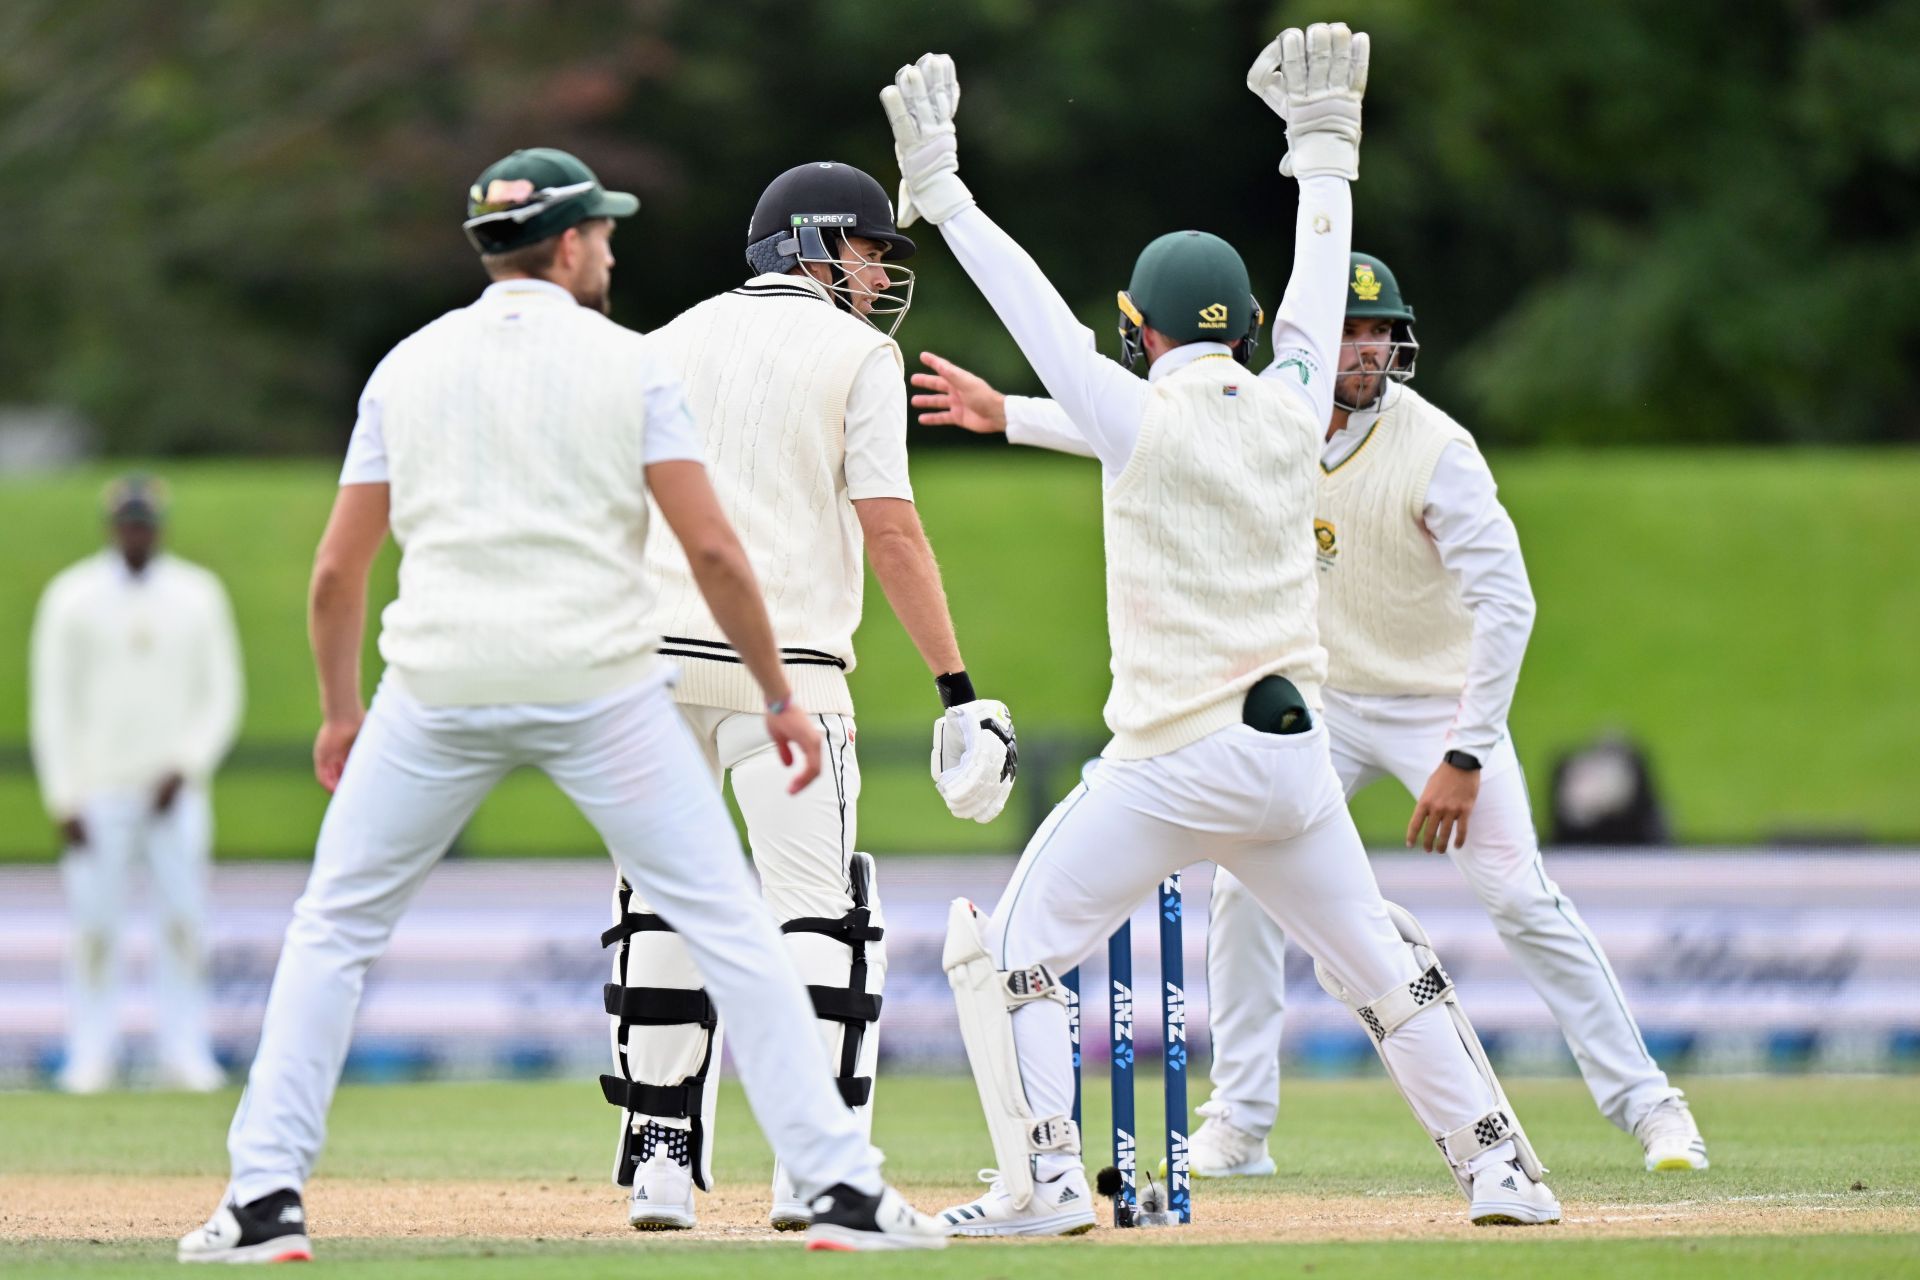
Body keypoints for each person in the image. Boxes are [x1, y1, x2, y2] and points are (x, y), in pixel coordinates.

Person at [177, 147, 946, 1263]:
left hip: (437, 682)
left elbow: (339, 572)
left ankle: (262, 1199)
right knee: (733, 923)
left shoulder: (408, 363)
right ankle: (838, 1187)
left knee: (334, 928)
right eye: (608, 234)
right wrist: (778, 691)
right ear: (574, 243)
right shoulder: (629, 362)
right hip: (597, 682)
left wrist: (341, 713)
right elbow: (715, 547)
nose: (615, 250)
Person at [878, 30, 1560, 1237]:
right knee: (1383, 968)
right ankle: (1505, 1169)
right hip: (1295, 763)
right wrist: (1324, 148)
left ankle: (1039, 1185)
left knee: (1013, 951)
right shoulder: (1296, 404)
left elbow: (1032, 309)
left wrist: (942, 193)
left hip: (1174, 758)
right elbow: (1319, 274)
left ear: (1138, 327)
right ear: (1244, 330)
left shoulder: (1133, 413)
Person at [915, 252, 1709, 1177]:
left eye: (1382, 334)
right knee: (1239, 889)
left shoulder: (1436, 449)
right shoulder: (1259, 415)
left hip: (1433, 708)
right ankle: (1242, 1123)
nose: (1368, 349)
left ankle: (1652, 1106)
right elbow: (1137, 430)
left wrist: (1468, 748)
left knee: (1518, 893)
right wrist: (1005, 413)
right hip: (1314, 706)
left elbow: (1509, 604)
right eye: (1352, 331)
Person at [604, 160, 1016, 1233]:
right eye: (871, 249)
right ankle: (814, 1166)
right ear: (816, 243)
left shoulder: (660, 343)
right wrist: (956, 686)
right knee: (815, 914)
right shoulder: (858, 354)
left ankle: (657, 1159)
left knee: (662, 900)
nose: (880, 272)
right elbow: (890, 530)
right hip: (785, 674)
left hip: (648, 666)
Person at [30, 476, 243, 1095]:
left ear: (160, 526)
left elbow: (221, 695)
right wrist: (63, 795)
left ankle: (184, 1052)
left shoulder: (198, 595)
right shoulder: (71, 597)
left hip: (174, 791)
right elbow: (54, 705)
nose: (136, 533)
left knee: (184, 922)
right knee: (94, 926)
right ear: (111, 526)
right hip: (98, 789)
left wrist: (187, 764)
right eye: (127, 522)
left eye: (145, 522)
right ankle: (91, 1055)